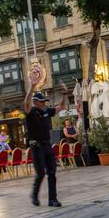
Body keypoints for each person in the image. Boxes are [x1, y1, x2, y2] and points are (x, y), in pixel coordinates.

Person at [24, 77, 69, 207]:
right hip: (36, 145)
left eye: (45, 101)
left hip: (46, 144)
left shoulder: (46, 112)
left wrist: (65, 93)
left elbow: (61, 107)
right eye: (42, 101)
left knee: (52, 172)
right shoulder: (31, 112)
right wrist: (32, 87)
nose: (44, 103)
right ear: (36, 102)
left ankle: (52, 199)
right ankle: (34, 194)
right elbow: (26, 103)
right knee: (41, 173)